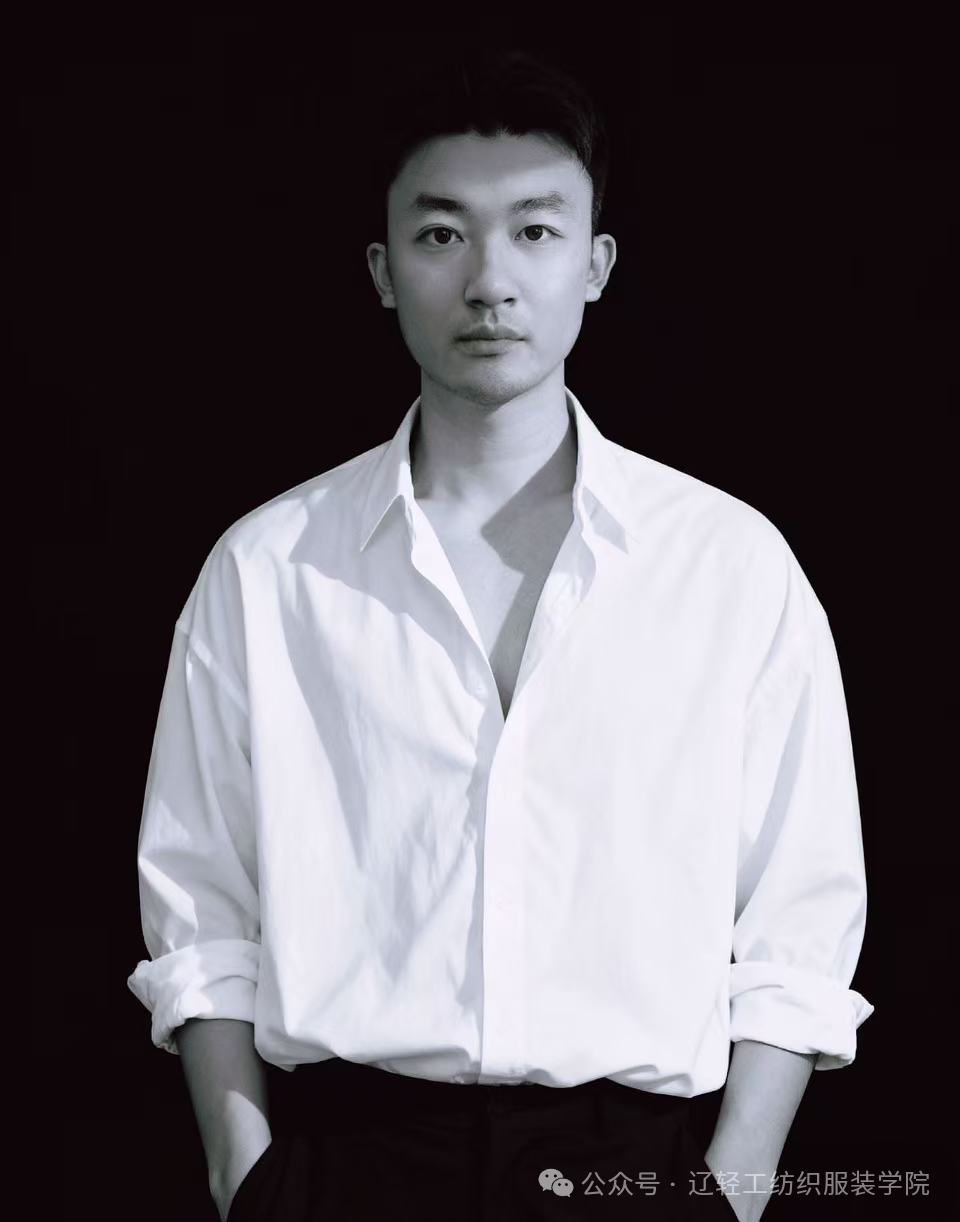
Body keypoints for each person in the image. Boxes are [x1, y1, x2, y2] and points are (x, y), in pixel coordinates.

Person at [127, 48, 873, 1222]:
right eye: (441, 235)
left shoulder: (728, 564)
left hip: (638, 1171)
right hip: (351, 1167)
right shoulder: (269, 570)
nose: (489, 281)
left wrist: (731, 1188)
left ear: (596, 264)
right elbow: (201, 900)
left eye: (534, 231)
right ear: (384, 272)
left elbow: (800, 914)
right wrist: (248, 1175)